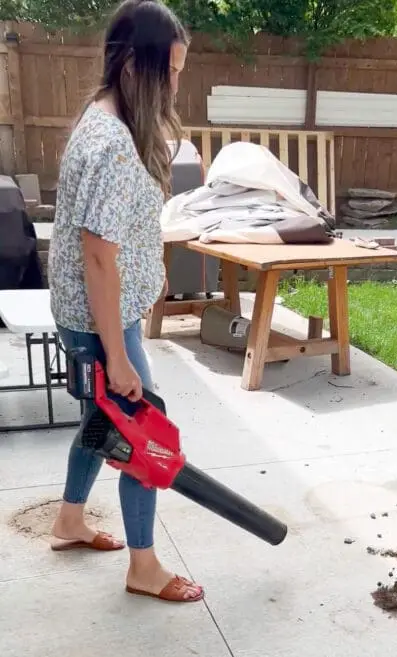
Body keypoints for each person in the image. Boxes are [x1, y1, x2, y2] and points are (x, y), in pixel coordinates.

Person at [47, 0, 204, 603]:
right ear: (138, 66)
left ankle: (67, 522)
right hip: (100, 323)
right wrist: (118, 355)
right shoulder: (114, 142)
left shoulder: (100, 115)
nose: (175, 84)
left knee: (99, 419)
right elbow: (97, 256)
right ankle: (144, 565)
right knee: (145, 434)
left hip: (88, 315)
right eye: (171, 71)